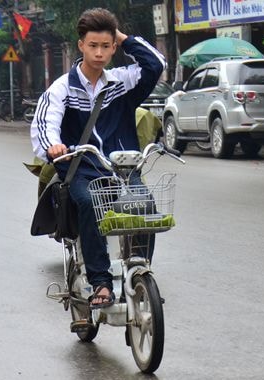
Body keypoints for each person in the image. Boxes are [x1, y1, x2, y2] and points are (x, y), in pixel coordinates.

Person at [30, 8, 166, 309]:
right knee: (90, 205)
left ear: (114, 47)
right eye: (93, 45)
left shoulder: (123, 81)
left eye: (106, 46)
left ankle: (141, 271)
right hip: (82, 169)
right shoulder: (62, 89)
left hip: (123, 170)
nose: (99, 52)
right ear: (81, 46)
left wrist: (120, 34)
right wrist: (53, 146)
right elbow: (44, 123)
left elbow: (155, 64)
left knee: (146, 206)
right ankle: (101, 283)